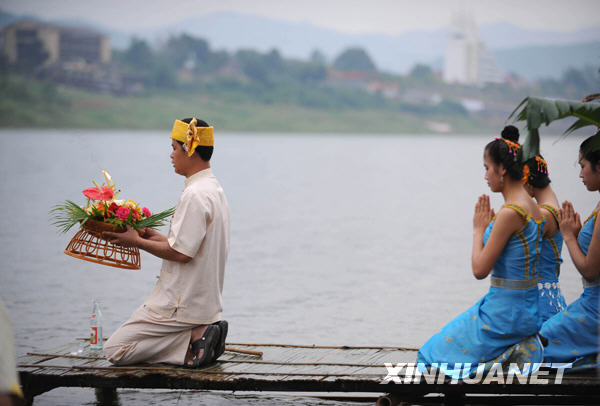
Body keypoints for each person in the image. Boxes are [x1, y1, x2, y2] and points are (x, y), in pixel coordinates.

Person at [417, 126, 545, 377]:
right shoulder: (532, 206)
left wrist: (478, 230)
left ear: (503, 169)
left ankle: (513, 348)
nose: (485, 175)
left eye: (487, 168)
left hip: (505, 315)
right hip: (526, 309)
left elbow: (479, 270)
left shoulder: (510, 213)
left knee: (429, 355)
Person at [103, 117, 230, 367]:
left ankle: (195, 337)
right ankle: (198, 339)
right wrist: (153, 237)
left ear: (189, 149)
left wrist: (135, 242)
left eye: (174, 147)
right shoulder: (213, 189)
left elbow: (182, 254)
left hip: (180, 305)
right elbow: (189, 245)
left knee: (115, 349)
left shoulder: (195, 194)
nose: (171, 155)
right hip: (203, 302)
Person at [540, 133, 600, 369]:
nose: (580, 174)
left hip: (594, 311)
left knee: (532, 347)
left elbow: (590, 270)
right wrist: (574, 236)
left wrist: (568, 236)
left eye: (583, 166)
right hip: (589, 304)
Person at [523, 153, 567, 322]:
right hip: (549, 296)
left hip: (539, 302)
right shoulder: (552, 208)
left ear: (528, 178)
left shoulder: (544, 215)